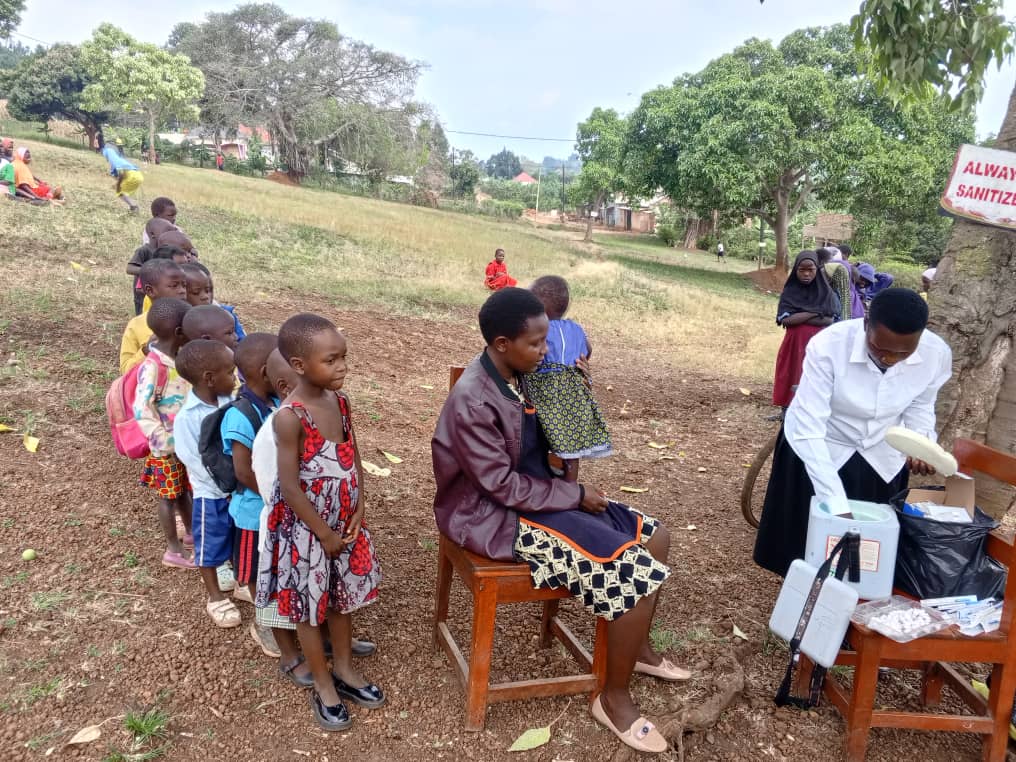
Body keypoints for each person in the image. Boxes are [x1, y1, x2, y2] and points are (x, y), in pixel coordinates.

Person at [432, 288, 685, 755]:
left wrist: (574, 390)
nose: (545, 351)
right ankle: (613, 699)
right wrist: (573, 494)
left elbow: (566, 439)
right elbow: (500, 487)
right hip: (493, 515)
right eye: (536, 343)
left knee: (656, 538)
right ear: (502, 343)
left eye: (547, 341)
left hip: (541, 496)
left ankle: (637, 652)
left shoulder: (525, 372)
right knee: (634, 573)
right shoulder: (473, 399)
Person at [753, 288, 953, 577]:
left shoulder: (937, 355)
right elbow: (810, 429)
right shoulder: (829, 345)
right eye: (880, 348)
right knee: (805, 538)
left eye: (904, 353)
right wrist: (835, 505)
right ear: (865, 325)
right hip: (822, 442)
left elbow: (921, 404)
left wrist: (921, 444)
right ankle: (801, 594)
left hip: (878, 450)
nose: (890, 359)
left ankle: (855, 598)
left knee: (868, 547)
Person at [256, 313, 383, 732]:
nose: (342, 367)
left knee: (342, 599)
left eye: (344, 357)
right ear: (298, 365)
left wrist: (360, 506)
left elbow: (354, 457)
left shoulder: (340, 402)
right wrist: (323, 532)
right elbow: (289, 486)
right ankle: (324, 683)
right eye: (331, 360)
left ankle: (345, 669)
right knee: (310, 610)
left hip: (343, 524)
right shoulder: (290, 418)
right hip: (308, 531)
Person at [220, 333, 283, 658]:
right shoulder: (239, 414)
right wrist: (278, 499)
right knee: (257, 571)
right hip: (252, 514)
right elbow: (243, 472)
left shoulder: (275, 404)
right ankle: (263, 624)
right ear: (263, 370)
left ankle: (277, 616)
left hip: (273, 509)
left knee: (274, 566)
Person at [173, 339, 242, 628]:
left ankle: (242, 582)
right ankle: (215, 597)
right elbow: (193, 459)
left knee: (240, 539)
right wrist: (223, 486)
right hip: (210, 494)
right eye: (230, 372)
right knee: (209, 545)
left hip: (237, 488)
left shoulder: (232, 402)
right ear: (209, 379)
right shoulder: (188, 418)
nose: (235, 377)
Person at [525, 275, 612, 482]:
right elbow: (588, 350)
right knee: (570, 445)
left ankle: (540, 475)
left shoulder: (540, 328)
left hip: (546, 391)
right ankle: (570, 485)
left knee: (543, 429)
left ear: (541, 306)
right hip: (574, 394)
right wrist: (576, 363)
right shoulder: (576, 328)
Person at [133, 297, 194, 569]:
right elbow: (141, 408)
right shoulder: (154, 366)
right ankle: (173, 550)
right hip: (165, 447)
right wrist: (163, 441)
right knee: (169, 497)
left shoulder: (175, 359)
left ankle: (193, 535)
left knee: (183, 493)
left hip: (182, 442)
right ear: (180, 332)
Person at [772, 252, 840, 408]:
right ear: (796, 269)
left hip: (818, 345)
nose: (806, 274)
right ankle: (787, 412)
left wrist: (800, 315)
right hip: (794, 345)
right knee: (791, 375)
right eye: (802, 270)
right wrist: (816, 312)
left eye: (811, 270)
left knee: (812, 377)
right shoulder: (790, 292)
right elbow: (786, 320)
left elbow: (829, 319)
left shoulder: (826, 293)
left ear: (817, 269)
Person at [119, 259, 187, 373]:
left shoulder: (192, 320)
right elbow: (125, 370)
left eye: (184, 285)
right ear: (150, 291)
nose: (182, 291)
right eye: (174, 286)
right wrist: (146, 350)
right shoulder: (136, 326)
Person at [179, 262, 247, 341]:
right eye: (196, 292)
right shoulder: (173, 320)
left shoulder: (225, 315)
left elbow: (242, 343)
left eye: (208, 290)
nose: (205, 296)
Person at [98, 132, 143, 212]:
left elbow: (121, 174)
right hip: (138, 175)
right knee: (124, 192)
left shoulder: (113, 158)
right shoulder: (121, 159)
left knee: (120, 192)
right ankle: (134, 206)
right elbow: (118, 175)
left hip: (132, 176)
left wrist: (118, 184)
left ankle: (134, 207)